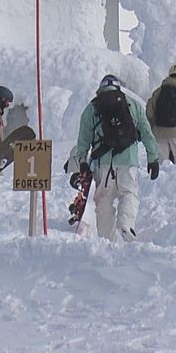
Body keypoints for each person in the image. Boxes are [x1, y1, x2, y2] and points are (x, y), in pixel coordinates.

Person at [70, 74, 160, 242]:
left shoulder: (92, 108)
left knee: (104, 200)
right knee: (128, 193)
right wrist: (152, 158)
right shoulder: (132, 104)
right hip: (128, 160)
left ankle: (106, 239)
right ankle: (126, 225)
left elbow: (83, 139)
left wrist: (82, 162)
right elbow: (147, 133)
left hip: (103, 163)